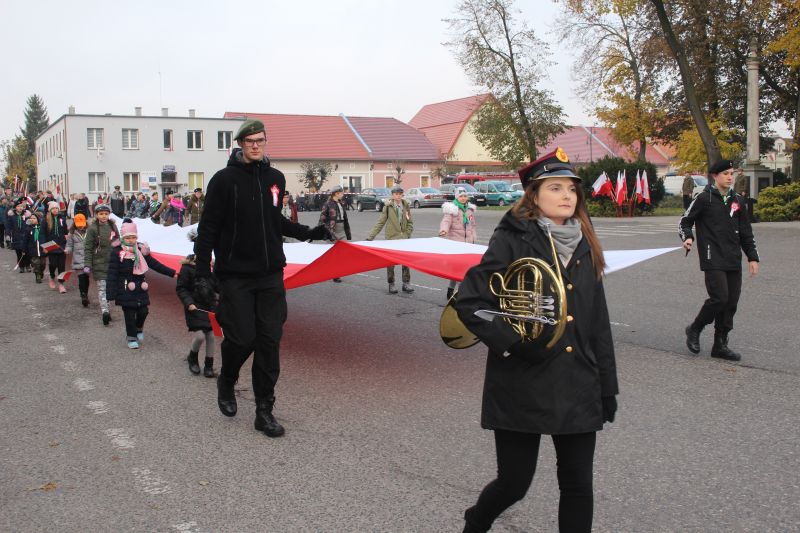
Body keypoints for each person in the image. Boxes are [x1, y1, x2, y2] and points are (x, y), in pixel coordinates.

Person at [454, 148, 618, 533]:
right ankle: (476, 521)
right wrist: (513, 342)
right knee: (514, 483)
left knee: (578, 486)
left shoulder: (585, 241)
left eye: (572, 189)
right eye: (555, 188)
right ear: (534, 195)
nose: (567, 196)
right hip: (522, 380)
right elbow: (471, 302)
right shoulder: (512, 238)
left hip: (578, 381)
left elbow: (598, 323)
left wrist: (607, 386)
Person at [192, 119, 329, 438]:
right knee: (242, 339)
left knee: (269, 343)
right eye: (249, 141)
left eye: (260, 140)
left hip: (270, 275)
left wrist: (307, 232)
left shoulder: (275, 178)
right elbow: (208, 229)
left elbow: (273, 220)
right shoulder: (223, 180)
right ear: (240, 144)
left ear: (265, 142)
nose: (255, 145)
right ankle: (227, 379)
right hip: (235, 276)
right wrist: (202, 274)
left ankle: (264, 411)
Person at [680, 159, 759, 362]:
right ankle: (695, 328)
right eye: (725, 174)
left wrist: (752, 257)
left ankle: (720, 344)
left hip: (733, 257)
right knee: (719, 298)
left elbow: (746, 232)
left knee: (731, 302)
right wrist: (687, 237)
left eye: (731, 173)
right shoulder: (703, 198)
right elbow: (685, 221)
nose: (730, 177)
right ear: (715, 176)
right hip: (712, 256)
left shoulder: (738, 201)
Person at [106, 219, 177, 349]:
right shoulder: (117, 252)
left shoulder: (140, 250)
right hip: (125, 288)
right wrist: (110, 293)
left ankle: (139, 328)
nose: (131, 240)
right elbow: (112, 273)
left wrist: (172, 273)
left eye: (133, 237)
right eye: (128, 238)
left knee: (143, 311)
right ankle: (131, 337)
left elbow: (154, 264)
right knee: (129, 314)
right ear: (123, 238)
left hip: (140, 287)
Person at [176, 230, 218, 377]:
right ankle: (192, 358)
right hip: (194, 308)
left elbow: (217, 287)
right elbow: (181, 288)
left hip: (210, 308)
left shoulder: (212, 268)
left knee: (211, 336)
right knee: (200, 336)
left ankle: (209, 366)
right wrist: (189, 303)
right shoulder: (187, 268)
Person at [366, 185, 414, 294]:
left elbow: (410, 221)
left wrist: (407, 233)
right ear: (392, 195)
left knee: (406, 262)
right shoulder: (388, 207)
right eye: (396, 194)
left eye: (400, 194)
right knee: (390, 263)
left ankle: (406, 283)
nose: (398, 196)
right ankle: (391, 283)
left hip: (404, 238)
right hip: (391, 238)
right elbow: (381, 222)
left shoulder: (406, 205)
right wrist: (370, 237)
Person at [439, 186, 477, 301]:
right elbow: (446, 221)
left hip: (468, 244)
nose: (463, 198)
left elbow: (472, 226)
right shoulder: (452, 209)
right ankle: (459, 294)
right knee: (459, 270)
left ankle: (452, 290)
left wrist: (473, 238)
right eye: (461, 196)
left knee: (461, 270)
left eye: (465, 196)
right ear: (456, 197)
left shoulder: (470, 210)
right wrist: (444, 230)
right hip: (456, 244)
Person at [84, 204, 120, 325]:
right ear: (96, 215)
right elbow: (88, 248)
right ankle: (105, 311)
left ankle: (108, 309)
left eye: (106, 214)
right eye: (101, 214)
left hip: (112, 262)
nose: (104, 216)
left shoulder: (113, 226)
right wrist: (87, 264)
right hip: (98, 263)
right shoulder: (92, 229)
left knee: (110, 288)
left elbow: (119, 241)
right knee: (102, 288)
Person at [319, 185, 351, 282]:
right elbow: (322, 218)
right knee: (334, 254)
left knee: (344, 251)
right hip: (332, 230)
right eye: (341, 192)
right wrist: (322, 231)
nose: (343, 194)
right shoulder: (327, 204)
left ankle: (335, 271)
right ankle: (335, 274)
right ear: (336, 193)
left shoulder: (341, 203)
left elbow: (344, 217)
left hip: (341, 229)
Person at [42, 202, 69, 293]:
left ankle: (61, 284)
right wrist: (44, 246)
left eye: (56, 208)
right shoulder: (46, 220)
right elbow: (42, 234)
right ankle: (52, 276)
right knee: (53, 264)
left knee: (61, 266)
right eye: (53, 208)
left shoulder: (62, 218)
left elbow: (65, 231)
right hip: (51, 245)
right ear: (50, 210)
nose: (55, 210)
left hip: (62, 245)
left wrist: (67, 241)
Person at [65, 213, 91, 307]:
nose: (80, 226)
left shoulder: (90, 232)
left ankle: (85, 294)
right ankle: (83, 295)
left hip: (88, 259)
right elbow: (69, 245)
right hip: (78, 259)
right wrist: (67, 250)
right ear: (75, 223)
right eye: (78, 224)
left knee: (86, 278)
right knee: (81, 278)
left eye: (82, 224)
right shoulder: (71, 234)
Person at [22, 212, 46, 284]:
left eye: (34, 218)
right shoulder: (28, 229)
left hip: (42, 249)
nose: (32, 219)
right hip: (33, 249)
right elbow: (25, 240)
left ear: (38, 219)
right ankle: (37, 276)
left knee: (42, 264)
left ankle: (41, 272)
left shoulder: (42, 228)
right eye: (31, 218)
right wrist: (24, 250)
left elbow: (46, 237)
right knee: (36, 264)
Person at [7, 201, 31, 272]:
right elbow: (9, 226)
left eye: (21, 206)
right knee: (19, 252)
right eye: (18, 206)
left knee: (27, 252)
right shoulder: (12, 216)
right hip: (16, 236)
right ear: (15, 207)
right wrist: (8, 234)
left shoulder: (27, 215)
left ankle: (28, 265)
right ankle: (21, 266)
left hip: (26, 236)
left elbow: (30, 225)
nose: (20, 207)